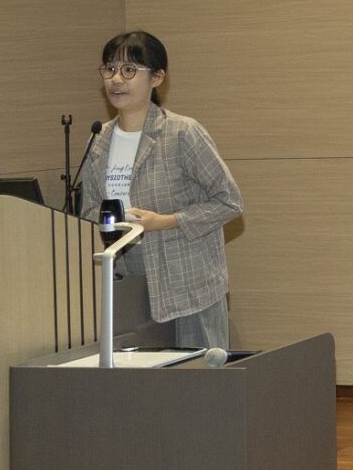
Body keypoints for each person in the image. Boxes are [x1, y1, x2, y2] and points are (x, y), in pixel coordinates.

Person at [76, 31, 244, 352]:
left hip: (187, 286)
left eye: (129, 70)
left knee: (196, 378)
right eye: (110, 69)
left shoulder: (182, 133)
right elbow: (88, 211)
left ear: (157, 77)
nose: (116, 79)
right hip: (127, 285)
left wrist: (164, 222)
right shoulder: (98, 140)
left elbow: (229, 202)